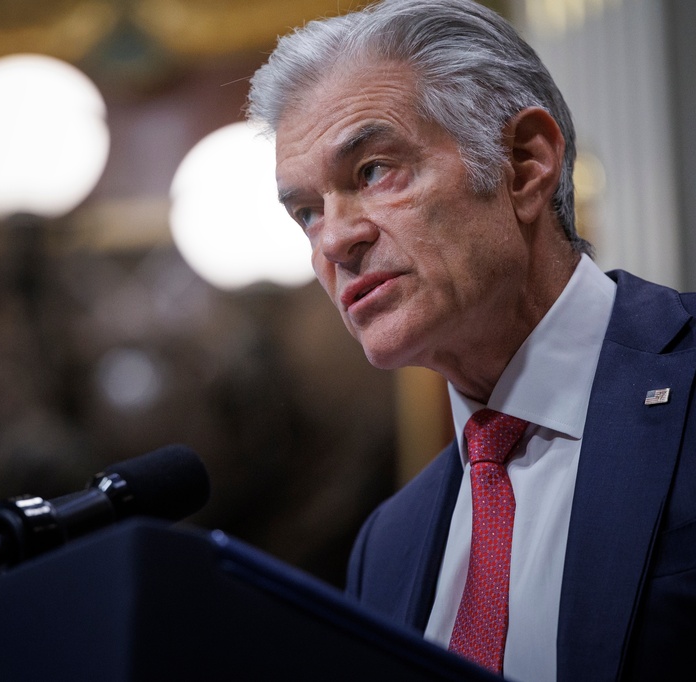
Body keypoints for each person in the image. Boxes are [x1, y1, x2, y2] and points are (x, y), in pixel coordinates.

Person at [246, 1, 696, 680]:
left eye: (372, 172)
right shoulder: (388, 543)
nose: (334, 240)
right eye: (306, 212)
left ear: (523, 164)